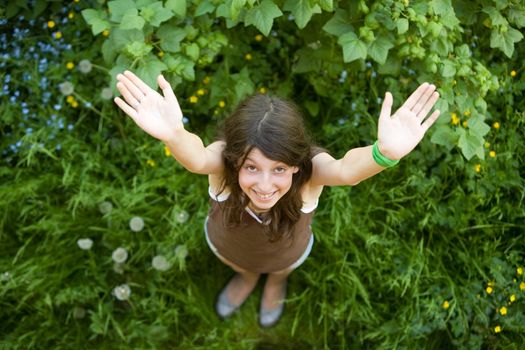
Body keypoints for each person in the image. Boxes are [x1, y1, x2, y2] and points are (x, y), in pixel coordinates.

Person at [114, 70, 441, 327]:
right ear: (234, 159)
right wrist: (174, 134)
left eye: (280, 169)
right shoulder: (222, 166)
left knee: (280, 271)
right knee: (242, 267)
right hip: (226, 246)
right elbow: (197, 159)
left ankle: (273, 287)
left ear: (297, 165)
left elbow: (346, 172)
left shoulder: (310, 174)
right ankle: (246, 278)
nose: (265, 185)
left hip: (288, 254)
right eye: (252, 167)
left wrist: (383, 154)